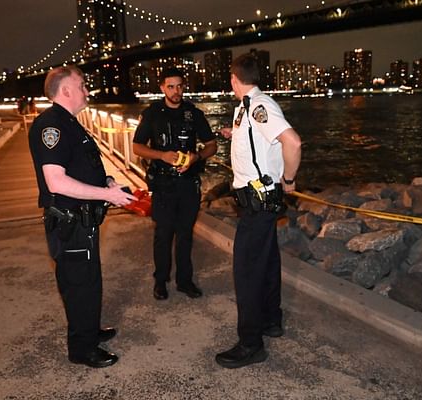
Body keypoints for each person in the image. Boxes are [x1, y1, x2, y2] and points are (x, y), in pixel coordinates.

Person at [27, 65, 136, 369]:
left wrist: (108, 184)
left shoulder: (70, 123)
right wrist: (107, 196)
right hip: (69, 223)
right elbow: (56, 181)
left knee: (89, 280)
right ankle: (82, 349)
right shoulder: (53, 126)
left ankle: (88, 331)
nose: (87, 90)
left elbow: (80, 167)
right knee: (78, 284)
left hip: (82, 220)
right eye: (82, 85)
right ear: (65, 91)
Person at [215, 54, 302, 369]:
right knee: (266, 262)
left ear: (234, 79)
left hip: (257, 202)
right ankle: (270, 320)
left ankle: (251, 344)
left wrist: (289, 180)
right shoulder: (247, 108)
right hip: (258, 201)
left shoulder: (259, 106)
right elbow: (258, 141)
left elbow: (292, 142)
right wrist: (232, 133)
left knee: (247, 271)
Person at [132, 68, 217, 301]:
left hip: (189, 183)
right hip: (163, 184)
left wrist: (196, 157)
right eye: (171, 86)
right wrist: (161, 155)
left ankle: (185, 281)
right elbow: (137, 147)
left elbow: (212, 144)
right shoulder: (152, 114)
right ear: (162, 88)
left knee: (185, 235)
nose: (176, 91)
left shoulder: (193, 114)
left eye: (179, 86)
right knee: (163, 234)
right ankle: (160, 281)